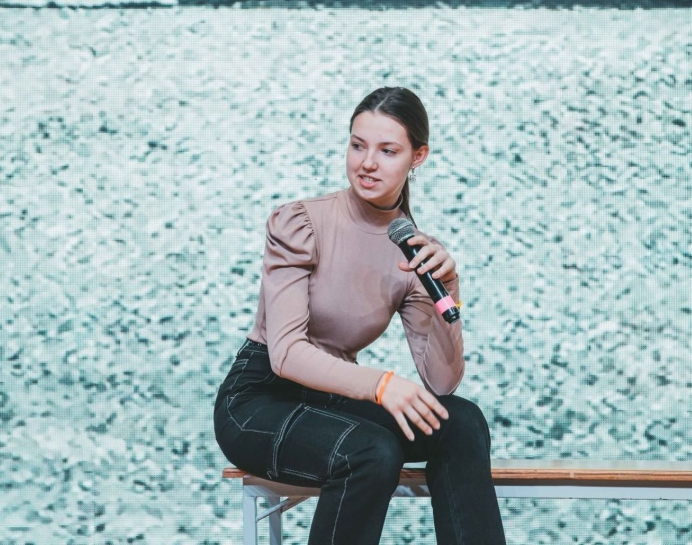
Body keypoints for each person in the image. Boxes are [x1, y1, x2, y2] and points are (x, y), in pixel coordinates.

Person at [213, 86, 506, 545]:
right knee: (371, 451)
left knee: (460, 421)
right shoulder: (301, 223)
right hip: (260, 399)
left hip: (330, 401)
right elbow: (285, 354)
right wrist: (382, 385)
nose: (367, 163)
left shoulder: (413, 252)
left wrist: (449, 291)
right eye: (357, 146)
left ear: (418, 157)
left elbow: (442, 382)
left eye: (387, 151)